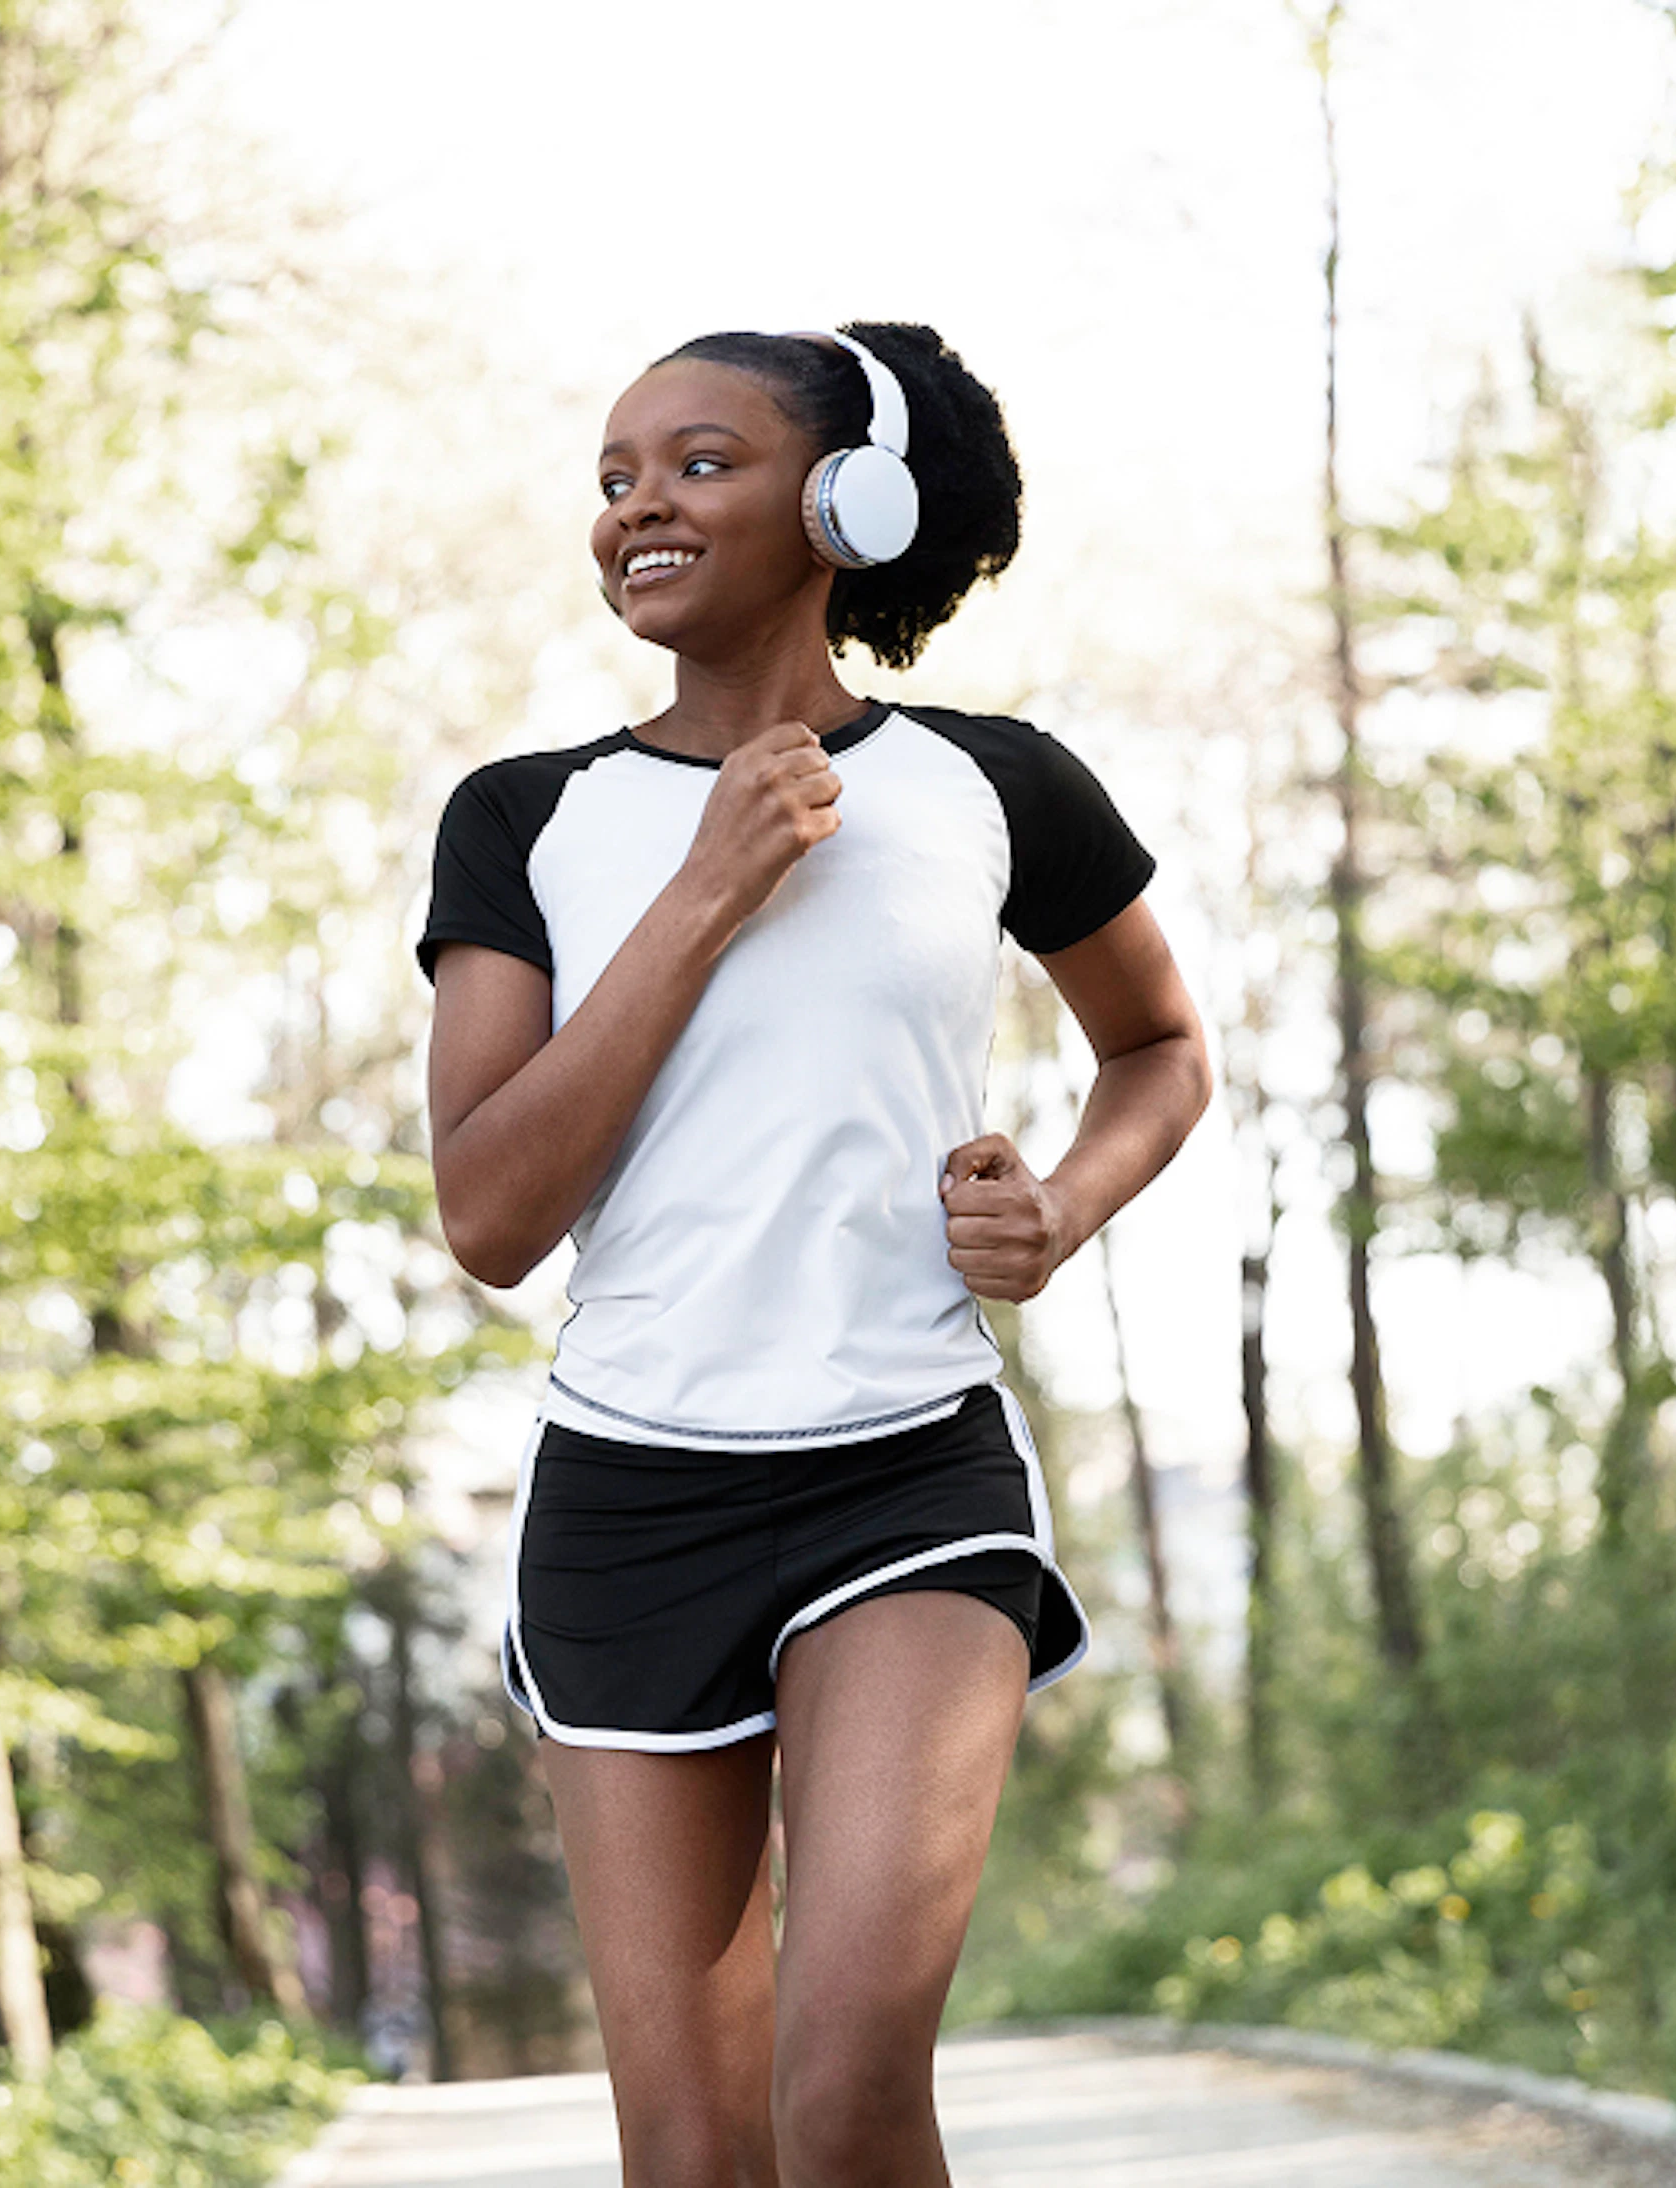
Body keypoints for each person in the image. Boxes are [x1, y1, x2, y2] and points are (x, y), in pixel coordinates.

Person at [416, 321, 1208, 2188]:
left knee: (847, 2100)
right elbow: (491, 1214)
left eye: (700, 462)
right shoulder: (523, 820)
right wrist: (705, 891)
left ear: (846, 500)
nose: (639, 511)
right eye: (614, 480)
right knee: (692, 2157)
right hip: (626, 1498)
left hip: (907, 1469)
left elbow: (1160, 1050)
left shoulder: (994, 785)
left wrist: (1064, 1206)